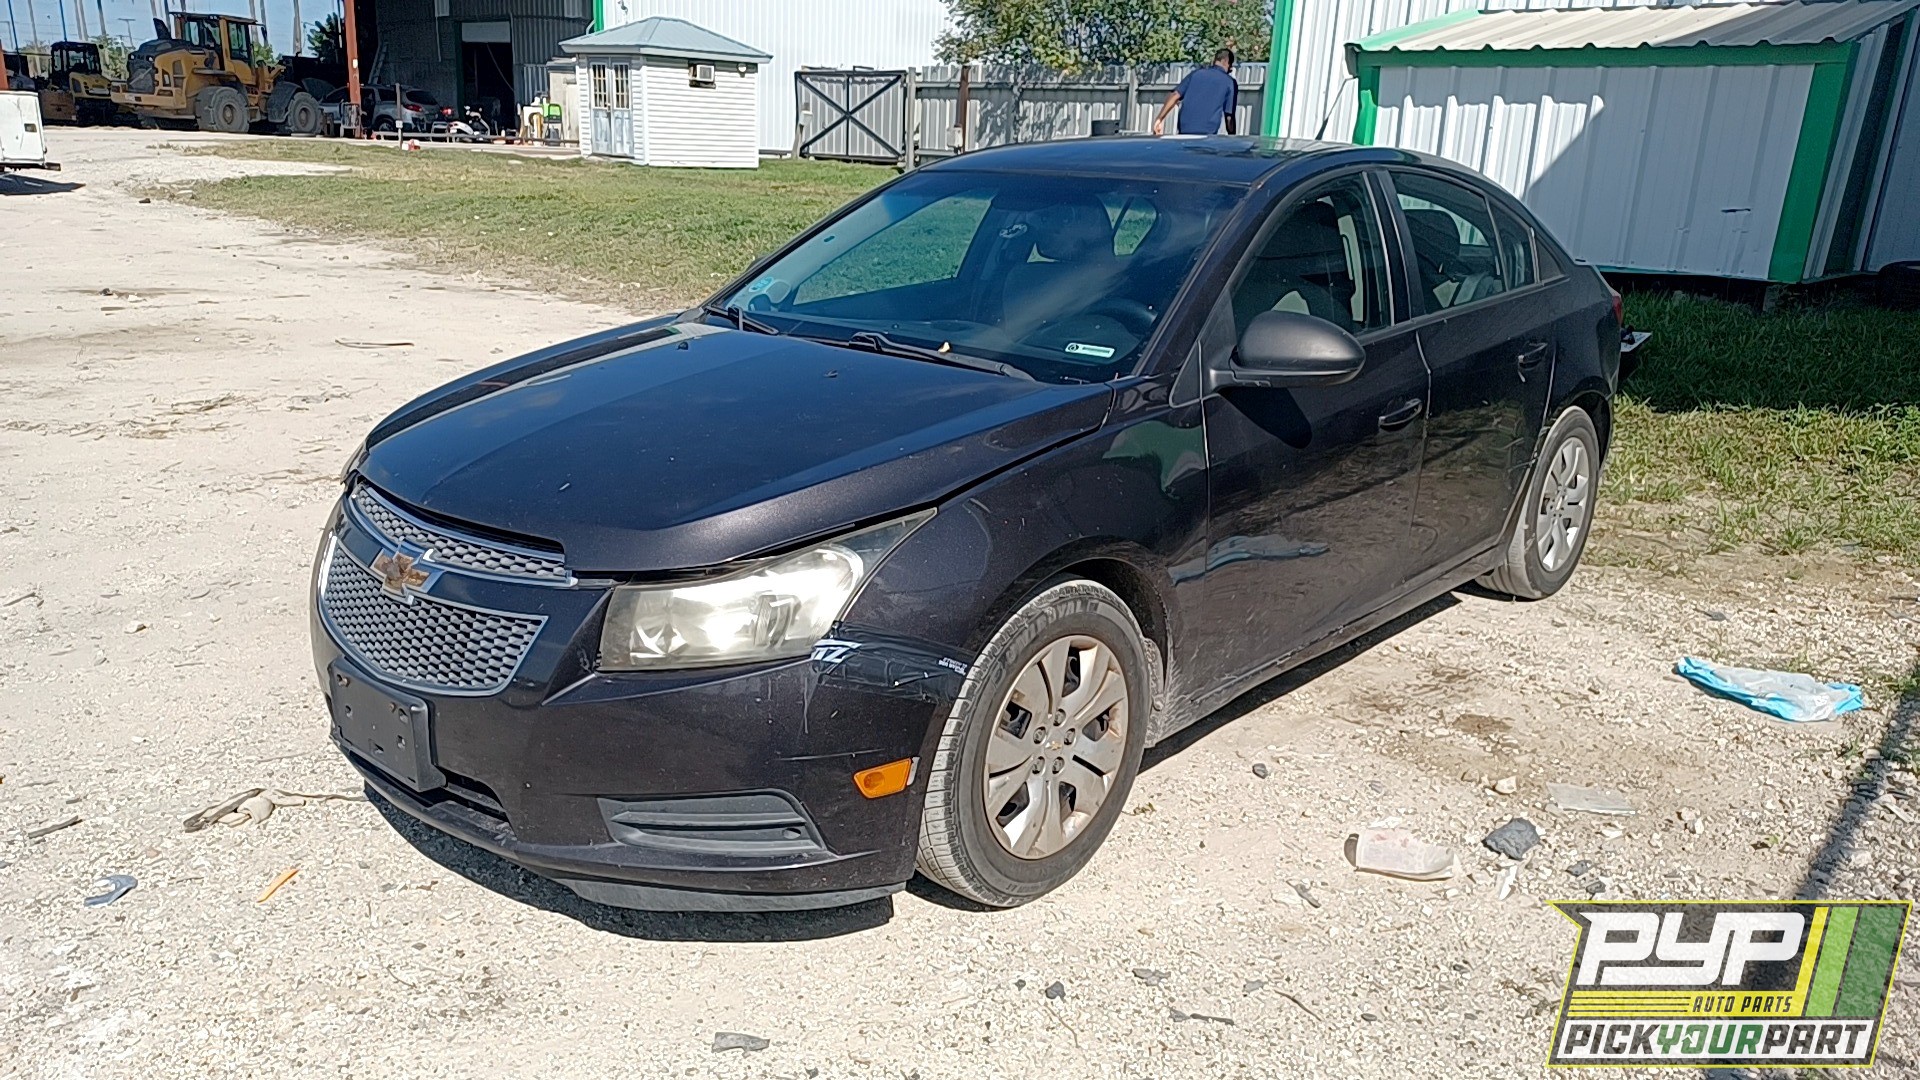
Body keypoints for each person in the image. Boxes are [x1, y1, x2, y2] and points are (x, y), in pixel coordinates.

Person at [1153, 48, 1238, 136]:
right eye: (1230, 66)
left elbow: (1175, 95)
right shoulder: (1229, 82)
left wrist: (1159, 119)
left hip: (1184, 131)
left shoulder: (1196, 74)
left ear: (1214, 60)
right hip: (1207, 134)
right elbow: (1229, 117)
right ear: (1225, 61)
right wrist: (1232, 138)